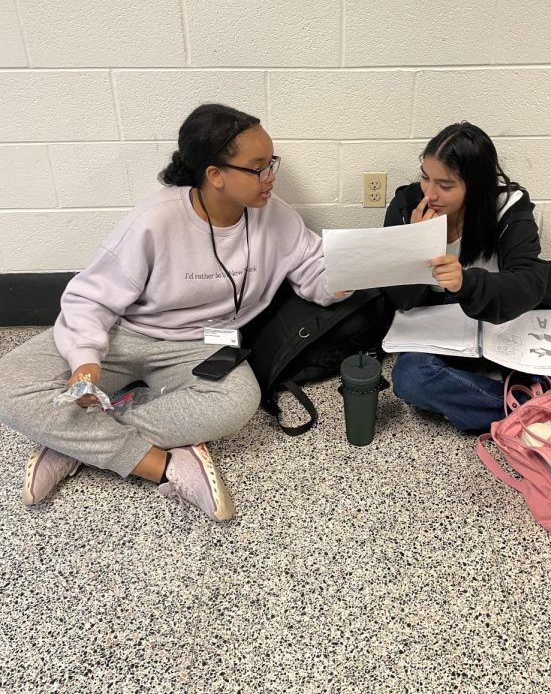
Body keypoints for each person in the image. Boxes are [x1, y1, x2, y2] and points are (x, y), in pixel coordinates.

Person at [0, 103, 346, 520]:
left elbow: (315, 272)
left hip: (200, 344)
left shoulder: (276, 217)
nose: (270, 177)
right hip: (123, 335)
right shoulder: (155, 220)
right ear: (215, 175)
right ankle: (161, 464)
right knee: (9, 384)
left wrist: (348, 279)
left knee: (237, 402)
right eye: (257, 168)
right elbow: (90, 298)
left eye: (271, 163)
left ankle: (73, 444)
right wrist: (86, 360)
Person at [384, 122, 551, 432]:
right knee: (411, 377)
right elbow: (401, 298)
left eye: (445, 185)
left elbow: (529, 283)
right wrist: (417, 242)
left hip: (509, 317)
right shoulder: (407, 206)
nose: (430, 194)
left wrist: (467, 282)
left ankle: (500, 405)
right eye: (425, 177)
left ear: (476, 186)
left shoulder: (508, 205)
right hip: (441, 327)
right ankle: (536, 407)